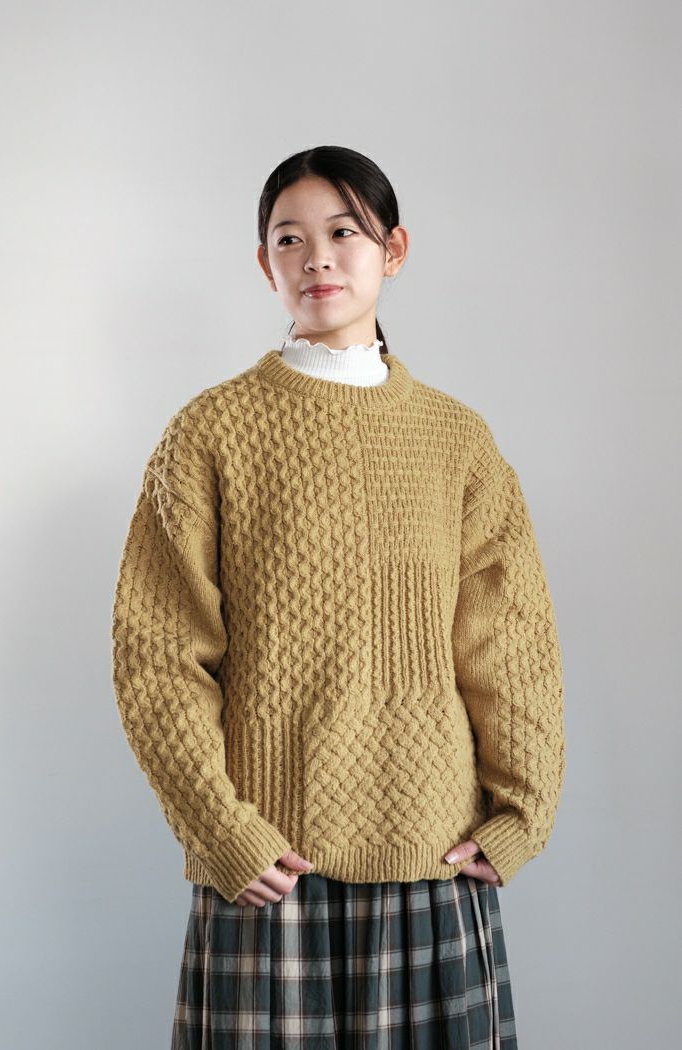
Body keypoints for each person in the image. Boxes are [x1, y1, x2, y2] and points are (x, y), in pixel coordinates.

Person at [111, 144, 566, 1049]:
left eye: (344, 232)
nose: (317, 257)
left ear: (393, 249)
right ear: (265, 263)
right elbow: (158, 654)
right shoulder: (210, 432)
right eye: (290, 238)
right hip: (268, 862)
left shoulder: (458, 439)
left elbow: (508, 640)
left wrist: (521, 813)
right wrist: (220, 828)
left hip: (434, 854)